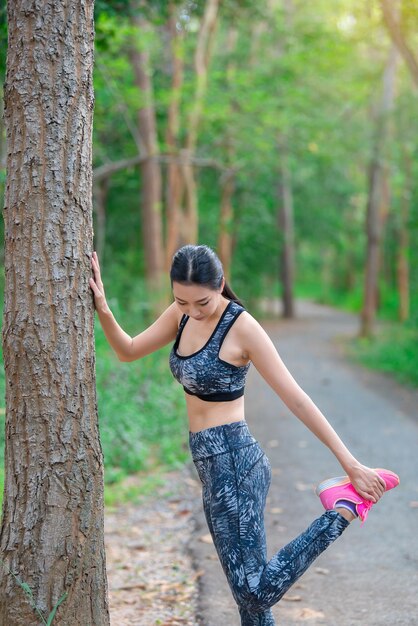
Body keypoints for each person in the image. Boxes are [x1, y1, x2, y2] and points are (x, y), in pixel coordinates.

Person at [89, 244, 399, 626]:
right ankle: (341, 508)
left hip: (235, 462)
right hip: (210, 466)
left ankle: (343, 509)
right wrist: (102, 306)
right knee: (251, 604)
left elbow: (296, 398)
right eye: (181, 301)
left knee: (253, 591)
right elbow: (129, 350)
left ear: (220, 284)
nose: (192, 310)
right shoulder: (182, 314)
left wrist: (350, 464)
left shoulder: (242, 327)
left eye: (201, 301)